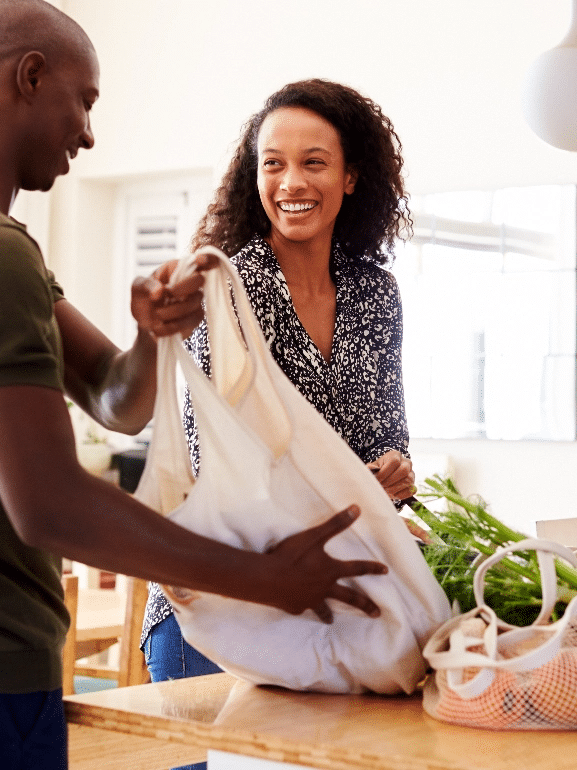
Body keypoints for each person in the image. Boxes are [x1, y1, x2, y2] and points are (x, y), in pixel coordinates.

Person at [0, 5, 388, 769]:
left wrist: (155, 337)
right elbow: (50, 505)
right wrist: (262, 579)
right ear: (29, 76)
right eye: (83, 101)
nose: (87, 132)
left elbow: (119, 403)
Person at [142, 79, 419, 718]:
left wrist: (393, 469)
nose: (290, 181)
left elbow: (384, 436)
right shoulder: (226, 289)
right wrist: (347, 485)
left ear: (351, 177)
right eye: (273, 164)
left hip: (327, 607)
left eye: (313, 162)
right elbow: (224, 465)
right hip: (220, 606)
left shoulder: (375, 294)